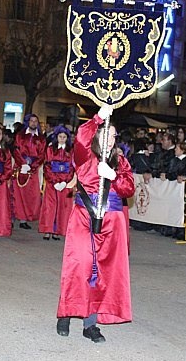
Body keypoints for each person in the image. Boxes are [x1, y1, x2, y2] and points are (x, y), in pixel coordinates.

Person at [56, 104, 135, 343]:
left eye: (113, 136)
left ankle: (90, 323)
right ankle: (67, 312)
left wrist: (113, 176)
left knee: (101, 272)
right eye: (106, 134)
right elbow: (81, 136)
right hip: (84, 216)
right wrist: (99, 117)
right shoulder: (84, 155)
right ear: (99, 134)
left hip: (111, 221)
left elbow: (129, 188)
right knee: (79, 264)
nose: (110, 140)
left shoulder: (120, 161)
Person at [39, 125, 75, 240]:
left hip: (64, 183)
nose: (62, 139)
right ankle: (47, 230)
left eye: (64, 137)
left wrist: (65, 182)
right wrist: (54, 181)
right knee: (50, 206)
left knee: (62, 207)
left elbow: (71, 167)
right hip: (52, 182)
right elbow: (47, 166)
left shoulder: (70, 151)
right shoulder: (50, 149)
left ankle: (58, 230)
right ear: (57, 137)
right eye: (60, 136)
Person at [12, 114, 46, 229]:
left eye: (35, 121)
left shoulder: (41, 138)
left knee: (30, 195)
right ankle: (16, 216)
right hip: (20, 168)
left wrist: (32, 166)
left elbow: (42, 155)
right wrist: (23, 164)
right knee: (17, 194)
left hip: (33, 170)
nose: (33, 123)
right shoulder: (20, 136)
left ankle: (25, 218)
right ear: (28, 122)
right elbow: (16, 150)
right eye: (31, 121)